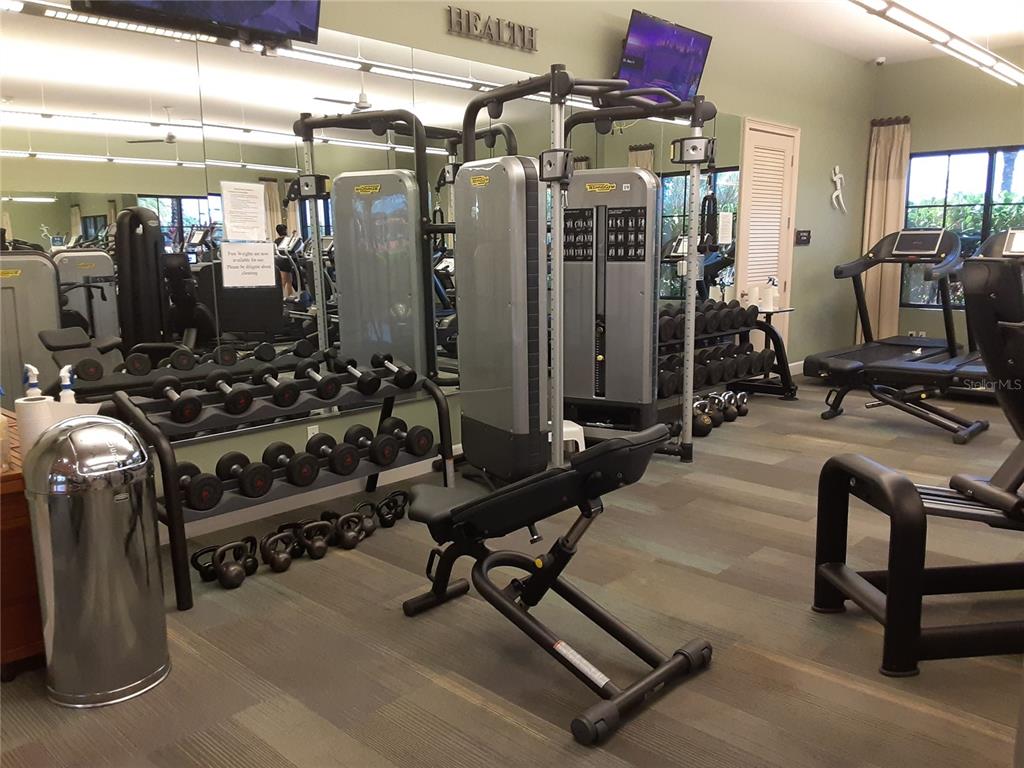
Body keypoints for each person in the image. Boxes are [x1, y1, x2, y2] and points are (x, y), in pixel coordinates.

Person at [274, 223, 297, 299]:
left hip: (281, 261)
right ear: (285, 230)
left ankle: (290, 297)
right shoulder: (286, 239)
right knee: (283, 282)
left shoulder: (276, 241)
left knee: (289, 281)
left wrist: (293, 235)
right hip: (284, 262)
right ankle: (280, 299)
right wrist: (293, 235)